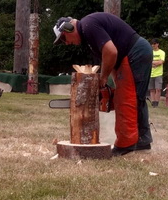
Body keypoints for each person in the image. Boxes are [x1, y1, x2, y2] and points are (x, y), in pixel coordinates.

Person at [53, 14, 153, 155]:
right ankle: (143, 141)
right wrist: (115, 83)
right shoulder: (88, 32)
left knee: (127, 99)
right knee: (134, 98)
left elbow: (111, 52)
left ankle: (126, 145)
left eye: (64, 38)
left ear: (69, 28)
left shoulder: (88, 26)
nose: (66, 43)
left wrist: (104, 78)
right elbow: (109, 58)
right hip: (132, 53)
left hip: (134, 53)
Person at [149, 39, 165, 107]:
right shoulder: (150, 52)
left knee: (158, 89)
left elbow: (161, 61)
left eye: (154, 44)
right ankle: (153, 102)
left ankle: (156, 102)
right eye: (152, 44)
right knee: (152, 89)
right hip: (151, 73)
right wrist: (156, 62)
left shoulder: (161, 52)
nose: (153, 45)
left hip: (158, 73)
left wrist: (153, 62)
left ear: (157, 44)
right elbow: (147, 61)